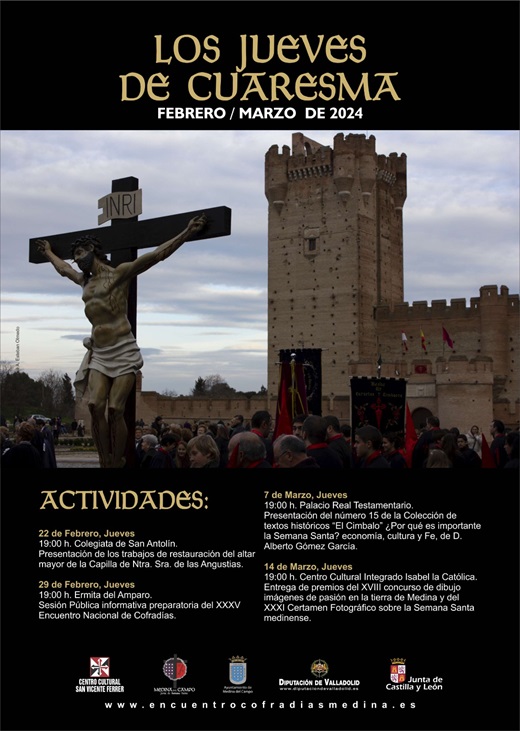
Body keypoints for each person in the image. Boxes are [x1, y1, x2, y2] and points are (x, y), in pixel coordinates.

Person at [36, 213, 207, 468]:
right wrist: (49, 252)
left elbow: (156, 256)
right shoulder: (84, 281)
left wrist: (187, 232)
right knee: (95, 405)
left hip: (123, 348)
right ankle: (104, 460)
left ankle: (117, 461)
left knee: (116, 409)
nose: (78, 259)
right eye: (76, 255)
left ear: (93, 250)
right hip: (100, 351)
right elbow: (64, 269)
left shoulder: (119, 275)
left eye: (82, 252)